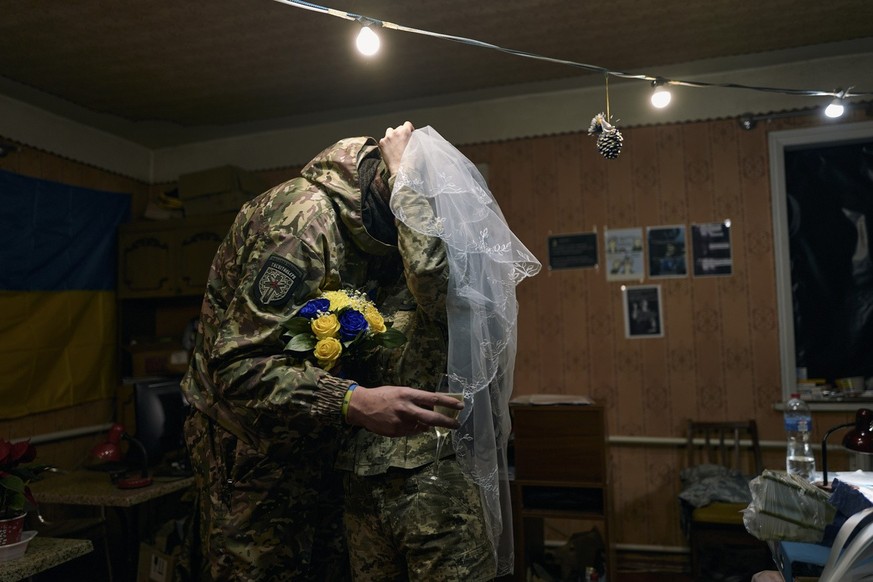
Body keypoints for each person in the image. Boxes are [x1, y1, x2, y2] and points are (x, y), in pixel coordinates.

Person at [179, 121, 467, 581]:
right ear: (385, 190)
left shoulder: (376, 228)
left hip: (315, 440)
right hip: (251, 446)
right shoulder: (303, 225)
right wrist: (353, 401)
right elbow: (236, 367)